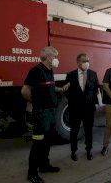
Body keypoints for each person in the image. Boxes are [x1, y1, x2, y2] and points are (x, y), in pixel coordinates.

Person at [21, 46, 66, 183]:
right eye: (55, 56)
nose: (56, 59)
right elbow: (24, 91)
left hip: (50, 113)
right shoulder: (36, 70)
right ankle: (32, 173)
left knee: (47, 141)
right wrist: (37, 104)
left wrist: (61, 89)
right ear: (48, 57)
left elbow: (50, 87)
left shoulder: (50, 70)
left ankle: (44, 166)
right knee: (38, 143)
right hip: (41, 114)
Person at [64, 53, 99, 161]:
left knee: (88, 130)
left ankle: (89, 150)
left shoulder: (93, 74)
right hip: (75, 108)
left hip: (89, 109)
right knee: (74, 131)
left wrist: (94, 104)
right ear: (78, 62)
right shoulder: (70, 75)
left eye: (87, 60)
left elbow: (96, 90)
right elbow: (66, 92)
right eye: (84, 61)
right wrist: (73, 101)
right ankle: (73, 151)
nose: (86, 63)